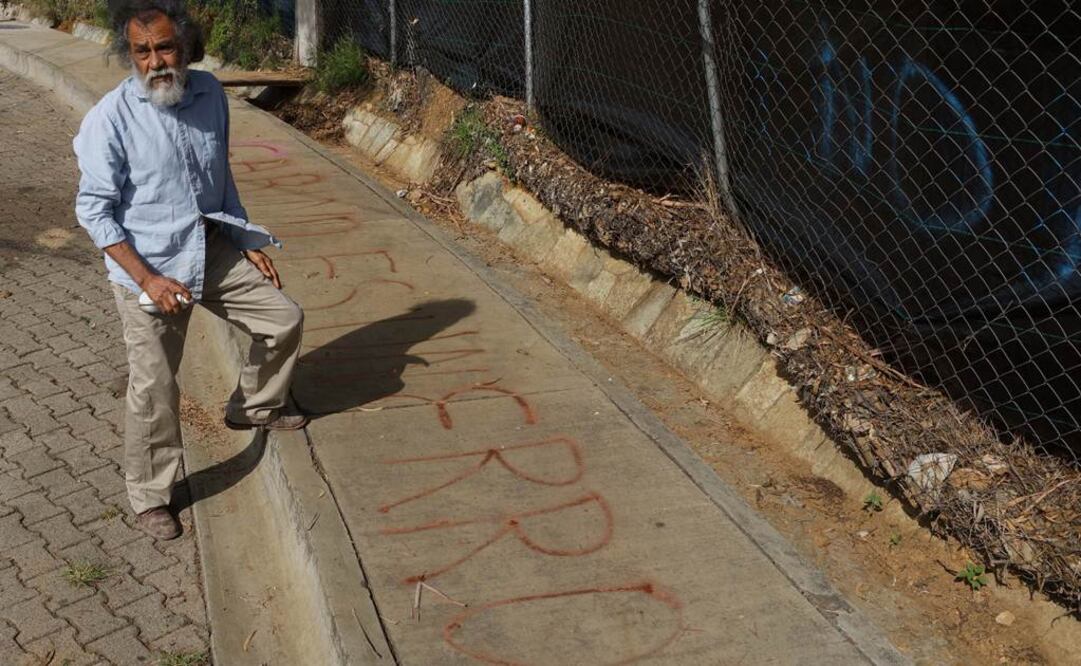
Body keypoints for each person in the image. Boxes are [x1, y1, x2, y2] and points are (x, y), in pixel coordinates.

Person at [73, 0, 306, 540]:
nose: (156, 62)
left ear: (186, 46)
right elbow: (93, 210)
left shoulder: (209, 96)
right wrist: (147, 278)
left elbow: (218, 178)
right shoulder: (112, 117)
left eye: (165, 47)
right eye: (142, 51)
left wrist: (245, 239)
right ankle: (150, 494)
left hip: (211, 246)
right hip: (148, 266)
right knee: (154, 386)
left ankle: (253, 406)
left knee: (282, 318)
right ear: (129, 55)